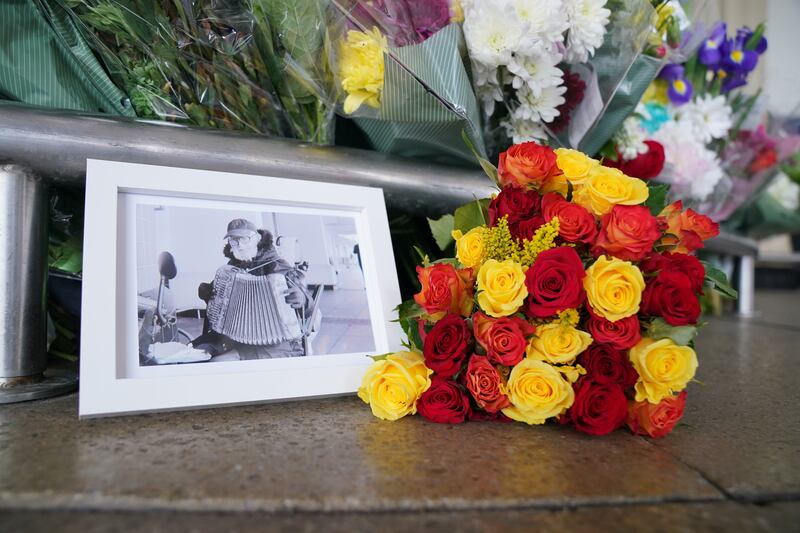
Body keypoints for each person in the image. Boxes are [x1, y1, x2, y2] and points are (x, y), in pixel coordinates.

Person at [192, 218, 311, 359]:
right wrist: (206, 292)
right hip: (233, 336)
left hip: (274, 344)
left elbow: (309, 308)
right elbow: (217, 300)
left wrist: (302, 299)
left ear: (257, 238)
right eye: (234, 240)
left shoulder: (278, 266)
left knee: (217, 363)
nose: (240, 245)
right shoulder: (230, 269)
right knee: (196, 352)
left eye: (244, 239)